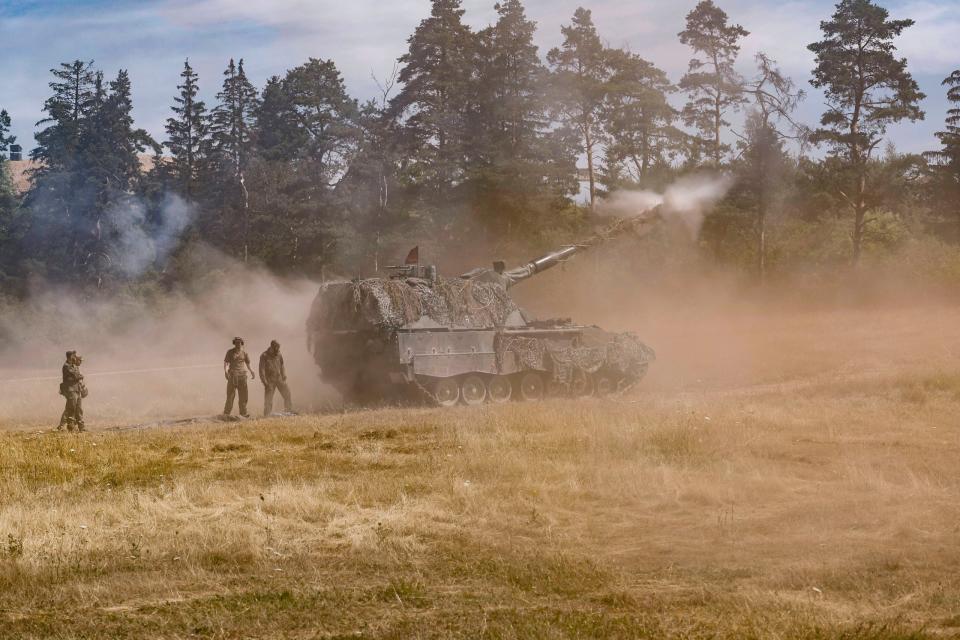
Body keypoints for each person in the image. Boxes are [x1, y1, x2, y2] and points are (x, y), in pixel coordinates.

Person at [259, 340, 293, 416]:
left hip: (279, 378)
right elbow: (261, 369)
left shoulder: (279, 354)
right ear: (271, 347)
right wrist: (264, 382)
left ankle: (288, 412)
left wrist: (284, 374)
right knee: (269, 399)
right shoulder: (264, 355)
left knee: (287, 394)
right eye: (276, 348)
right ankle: (267, 415)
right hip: (269, 380)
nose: (277, 349)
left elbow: (282, 365)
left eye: (278, 347)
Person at [223, 337, 255, 417]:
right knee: (230, 396)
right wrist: (226, 372)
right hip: (233, 375)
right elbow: (226, 363)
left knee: (243, 396)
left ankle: (243, 413)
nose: (238, 344)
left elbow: (248, 364)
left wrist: (252, 371)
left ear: (242, 343)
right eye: (236, 342)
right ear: (234, 343)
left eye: (240, 342)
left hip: (242, 376)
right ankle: (226, 414)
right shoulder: (230, 352)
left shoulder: (244, 353)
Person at [58, 350, 86, 432]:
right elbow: (77, 376)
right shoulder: (67, 366)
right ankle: (67, 427)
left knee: (79, 409)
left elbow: (78, 376)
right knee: (71, 409)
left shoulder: (73, 365)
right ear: (71, 357)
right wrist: (80, 376)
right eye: (74, 356)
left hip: (77, 389)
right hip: (71, 390)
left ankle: (81, 427)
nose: (75, 357)